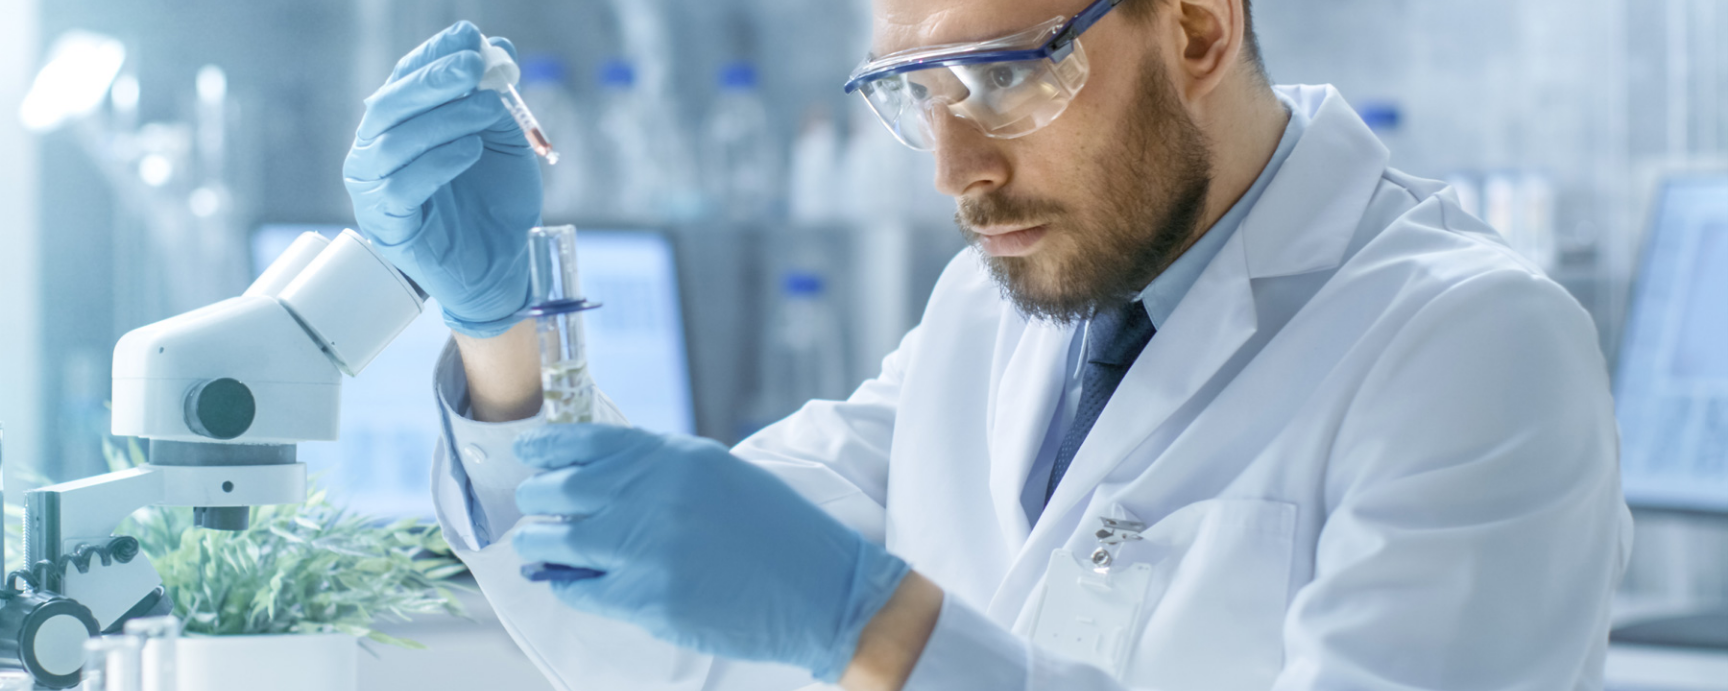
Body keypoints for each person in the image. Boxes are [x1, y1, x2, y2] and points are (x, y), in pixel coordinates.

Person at [341, 0, 1631, 688]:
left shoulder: (1470, 346)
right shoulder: (992, 310)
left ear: (1194, 26)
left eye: (1007, 74)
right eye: (916, 92)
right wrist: (498, 329)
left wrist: (882, 629)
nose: (958, 169)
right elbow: (686, 646)